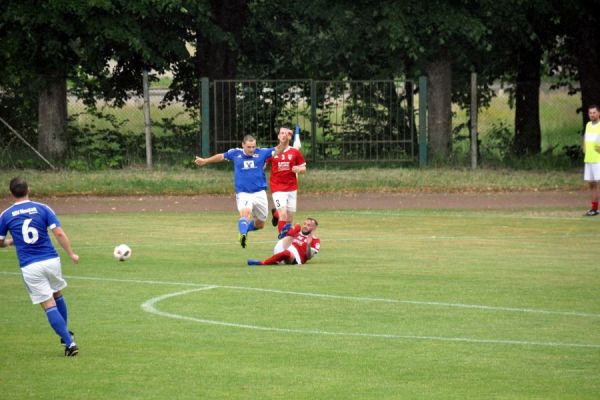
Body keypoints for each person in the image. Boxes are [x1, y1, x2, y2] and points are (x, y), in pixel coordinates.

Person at [0, 177, 80, 356]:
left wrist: (10, 242)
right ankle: (64, 333)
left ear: (11, 193)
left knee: (48, 303)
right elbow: (58, 232)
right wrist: (71, 254)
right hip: (51, 261)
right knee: (57, 294)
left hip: (30, 265)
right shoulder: (43, 208)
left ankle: (69, 343)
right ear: (28, 189)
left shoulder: (5, 215)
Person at [195, 134, 281, 248]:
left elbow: (279, 149)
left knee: (260, 224)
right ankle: (243, 234)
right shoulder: (235, 153)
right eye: (249, 147)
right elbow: (221, 156)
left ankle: (245, 229)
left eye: (253, 147)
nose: (251, 149)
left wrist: (286, 140)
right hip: (243, 193)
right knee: (245, 214)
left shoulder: (262, 152)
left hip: (260, 193)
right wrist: (205, 161)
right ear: (243, 145)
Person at [269, 126, 306, 233]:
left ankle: (276, 213)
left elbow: (304, 168)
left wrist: (299, 169)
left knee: (289, 219)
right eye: (282, 133)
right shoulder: (272, 152)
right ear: (278, 136)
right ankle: (282, 239)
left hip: (291, 188)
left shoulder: (294, 152)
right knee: (283, 214)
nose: (284, 135)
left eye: (286, 133)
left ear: (289, 136)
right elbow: (261, 164)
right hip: (277, 188)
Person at [247, 217, 320, 266]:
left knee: (287, 253)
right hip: (282, 247)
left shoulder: (315, 240)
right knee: (296, 227)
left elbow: (309, 257)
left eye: (308, 225)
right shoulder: (297, 233)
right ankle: (283, 233)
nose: (305, 226)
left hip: (295, 259)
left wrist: (308, 244)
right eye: (304, 224)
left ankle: (262, 262)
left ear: (314, 228)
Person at [582, 104, 600, 216]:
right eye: (590, 113)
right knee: (591, 184)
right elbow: (585, 139)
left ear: (599, 113)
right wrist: (584, 148)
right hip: (589, 159)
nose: (592, 115)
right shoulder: (588, 125)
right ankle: (594, 209)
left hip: (598, 159)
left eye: (594, 112)